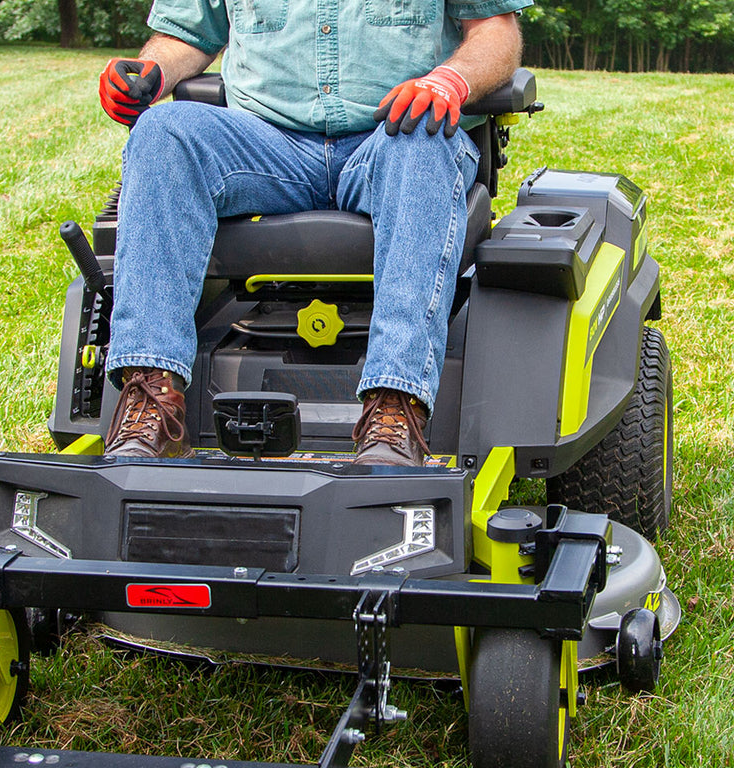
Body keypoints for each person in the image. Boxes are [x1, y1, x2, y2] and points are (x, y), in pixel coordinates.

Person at [97, 0, 529, 465]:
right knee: (162, 132)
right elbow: (186, 35)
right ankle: (153, 402)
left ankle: (395, 410)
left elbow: (495, 31)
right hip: (263, 141)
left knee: (424, 136)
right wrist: (150, 70)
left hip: (397, 134)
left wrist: (451, 79)